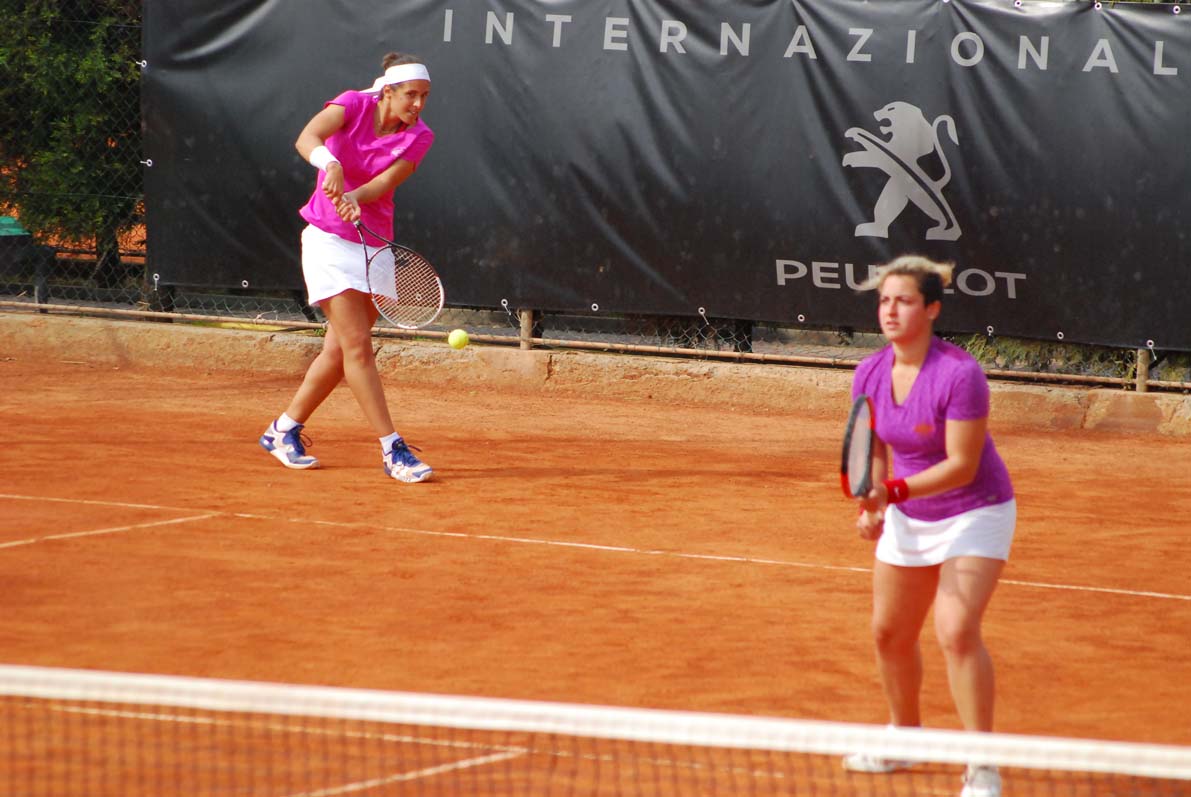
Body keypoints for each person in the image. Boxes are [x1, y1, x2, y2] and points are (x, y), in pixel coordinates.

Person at [843, 256, 1015, 797]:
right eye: (884, 301)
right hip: (910, 514)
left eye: (905, 301)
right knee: (889, 633)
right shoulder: (869, 372)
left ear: (932, 309)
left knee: (956, 630)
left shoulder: (960, 374)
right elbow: (872, 447)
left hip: (975, 510)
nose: (890, 311)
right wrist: (873, 504)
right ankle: (905, 736)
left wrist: (891, 493)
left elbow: (962, 464)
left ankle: (982, 764)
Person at [259, 53, 435, 483]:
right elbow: (308, 137)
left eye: (424, 96)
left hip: (374, 245)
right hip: (328, 242)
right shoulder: (353, 104)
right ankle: (393, 449)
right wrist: (331, 164)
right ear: (388, 91)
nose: (418, 104)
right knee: (358, 347)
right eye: (411, 95)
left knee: (339, 353)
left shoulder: (420, 135)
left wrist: (355, 197)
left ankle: (283, 430)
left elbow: (385, 183)